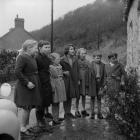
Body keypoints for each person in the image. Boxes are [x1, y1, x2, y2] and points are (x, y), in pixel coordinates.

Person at [14, 39, 41, 137]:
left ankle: (27, 126)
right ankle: (22, 128)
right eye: (35, 48)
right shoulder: (22, 57)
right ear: (29, 48)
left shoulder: (31, 57)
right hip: (25, 87)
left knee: (29, 107)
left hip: (32, 85)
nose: (37, 50)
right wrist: (27, 83)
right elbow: (17, 72)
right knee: (26, 107)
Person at [35, 40, 53, 127]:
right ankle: (39, 120)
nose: (48, 49)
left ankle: (44, 116)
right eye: (46, 47)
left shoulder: (47, 58)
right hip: (39, 82)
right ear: (39, 48)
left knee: (46, 100)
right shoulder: (37, 57)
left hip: (46, 81)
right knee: (40, 103)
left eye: (49, 47)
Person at [60, 44, 80, 119]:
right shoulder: (62, 59)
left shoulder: (75, 59)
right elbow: (57, 69)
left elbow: (77, 70)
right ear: (67, 51)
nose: (73, 50)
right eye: (71, 49)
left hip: (74, 79)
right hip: (66, 80)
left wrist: (78, 79)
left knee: (71, 96)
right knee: (67, 96)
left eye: (73, 49)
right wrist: (63, 72)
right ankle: (66, 113)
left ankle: (68, 112)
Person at [105, 52, 125, 119]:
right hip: (109, 84)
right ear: (109, 59)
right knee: (109, 99)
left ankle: (115, 114)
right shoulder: (106, 66)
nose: (115, 59)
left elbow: (124, 74)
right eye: (113, 58)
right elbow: (104, 76)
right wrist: (104, 84)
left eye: (115, 58)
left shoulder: (120, 65)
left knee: (116, 99)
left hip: (116, 83)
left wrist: (121, 80)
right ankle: (109, 114)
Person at [49, 53, 67, 125]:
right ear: (53, 60)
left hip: (60, 84)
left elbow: (61, 74)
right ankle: (54, 118)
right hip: (55, 85)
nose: (59, 60)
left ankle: (56, 117)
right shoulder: (51, 67)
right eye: (58, 59)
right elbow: (54, 76)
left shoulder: (59, 66)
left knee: (58, 102)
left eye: (59, 59)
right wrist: (53, 87)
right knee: (55, 102)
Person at [88, 52, 106, 119]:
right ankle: (92, 113)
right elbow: (88, 75)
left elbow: (104, 75)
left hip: (100, 83)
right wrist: (88, 84)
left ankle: (99, 113)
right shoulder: (90, 65)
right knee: (92, 98)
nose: (98, 59)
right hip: (92, 83)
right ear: (93, 58)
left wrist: (103, 84)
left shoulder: (103, 65)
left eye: (100, 58)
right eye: (97, 58)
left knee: (99, 98)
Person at [75, 48, 89, 117]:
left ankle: (83, 109)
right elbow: (75, 71)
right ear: (79, 54)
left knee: (84, 95)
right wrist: (77, 79)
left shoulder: (87, 61)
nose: (83, 55)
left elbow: (89, 70)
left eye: (84, 53)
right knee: (78, 96)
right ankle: (76, 110)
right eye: (82, 53)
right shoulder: (76, 61)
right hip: (79, 80)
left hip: (85, 80)